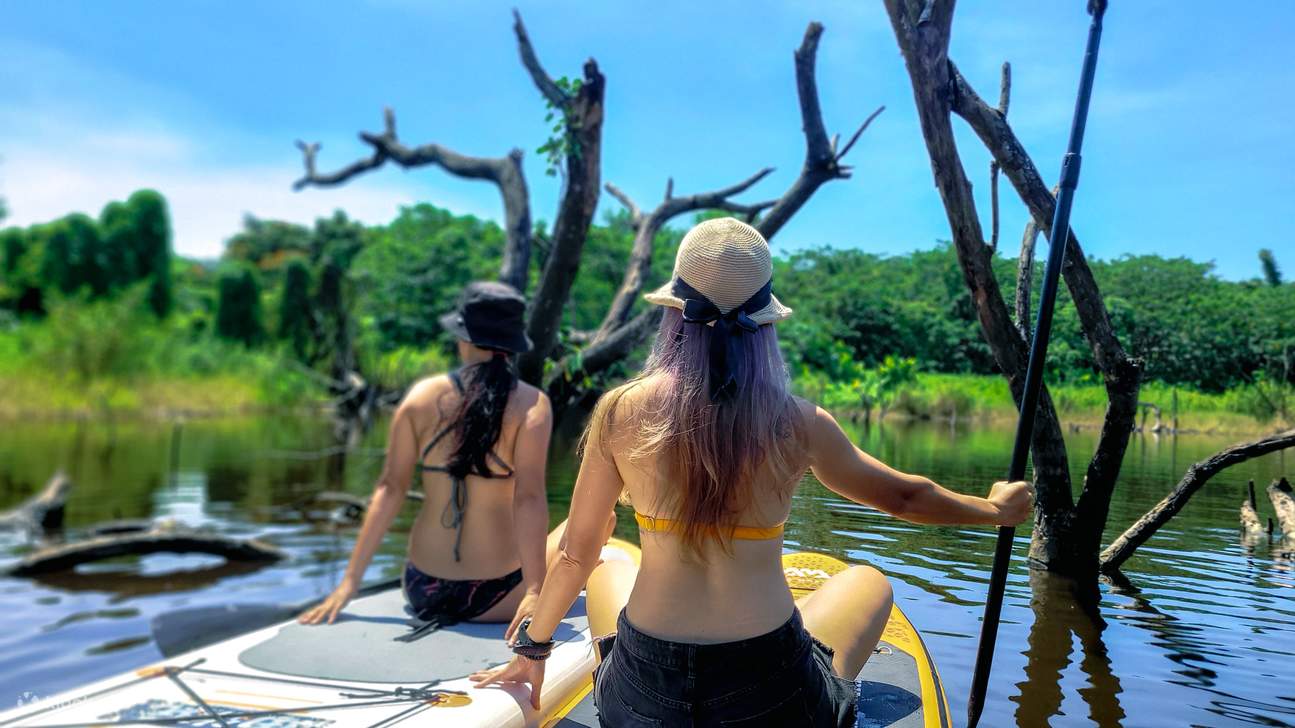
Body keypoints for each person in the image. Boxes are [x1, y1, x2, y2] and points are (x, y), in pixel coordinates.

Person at [469, 218, 1034, 725]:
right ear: (766, 322)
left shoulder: (620, 411)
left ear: (674, 313)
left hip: (645, 696)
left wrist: (533, 653)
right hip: (771, 696)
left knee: (602, 570)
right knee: (869, 582)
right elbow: (904, 499)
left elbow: (575, 552)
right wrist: (994, 510)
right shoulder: (800, 423)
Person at [300, 281, 574, 642]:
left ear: (464, 339)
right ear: (511, 344)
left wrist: (349, 584)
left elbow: (389, 489)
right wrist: (535, 591)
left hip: (421, 589)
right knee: (592, 526)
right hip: (495, 597)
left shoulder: (419, 397)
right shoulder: (532, 405)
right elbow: (529, 499)